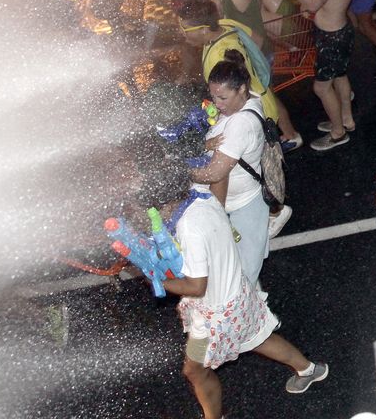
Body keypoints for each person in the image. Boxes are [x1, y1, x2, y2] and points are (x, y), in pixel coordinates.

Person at [136, 140, 327, 419]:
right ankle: (309, 370)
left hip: (213, 319)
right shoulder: (201, 196)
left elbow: (196, 286)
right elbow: (221, 176)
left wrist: (155, 280)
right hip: (238, 298)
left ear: (165, 203)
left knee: (194, 371)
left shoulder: (189, 229)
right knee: (256, 337)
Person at [176, 0, 304, 179]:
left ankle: (270, 193)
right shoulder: (226, 24)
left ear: (204, 29)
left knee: (258, 165)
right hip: (261, 94)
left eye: (185, 29)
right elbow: (258, 40)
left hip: (250, 112)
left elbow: (230, 98)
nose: (182, 33)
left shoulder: (220, 56)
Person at [267, 0, 355, 151]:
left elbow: (313, 3)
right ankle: (346, 119)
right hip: (331, 32)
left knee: (322, 88)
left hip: (333, 36)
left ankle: (338, 133)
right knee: (339, 76)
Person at [185, 58, 274, 287]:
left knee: (241, 277)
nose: (217, 103)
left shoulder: (240, 125)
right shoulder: (250, 101)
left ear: (241, 89)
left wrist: (181, 171)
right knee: (237, 272)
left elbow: (214, 174)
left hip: (241, 207)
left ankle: (250, 307)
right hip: (238, 202)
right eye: (213, 96)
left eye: (222, 98)